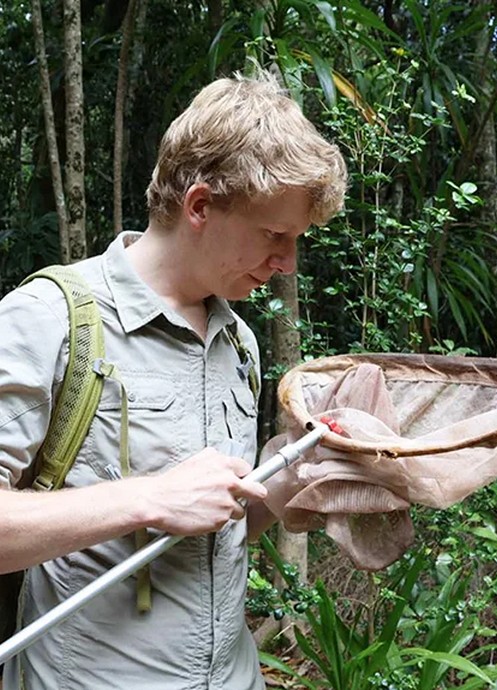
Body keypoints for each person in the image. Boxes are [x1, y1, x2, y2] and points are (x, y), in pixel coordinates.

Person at [0, 73, 347, 689]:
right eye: (275, 235)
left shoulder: (238, 342)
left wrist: (294, 474)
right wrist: (150, 498)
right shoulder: (50, 318)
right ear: (200, 206)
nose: (288, 263)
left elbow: (222, 525)